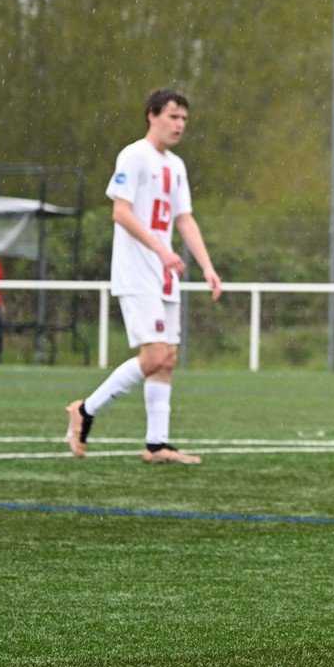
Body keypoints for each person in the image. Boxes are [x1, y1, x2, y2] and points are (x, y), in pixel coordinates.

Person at [64, 88, 222, 464]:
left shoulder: (176, 166)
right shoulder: (134, 155)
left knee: (167, 358)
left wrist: (207, 266)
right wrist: (161, 250)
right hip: (137, 271)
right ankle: (85, 410)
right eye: (172, 116)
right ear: (152, 115)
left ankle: (156, 444)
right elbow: (120, 212)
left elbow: (184, 219)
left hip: (164, 274)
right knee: (153, 356)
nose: (179, 125)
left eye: (184, 119)